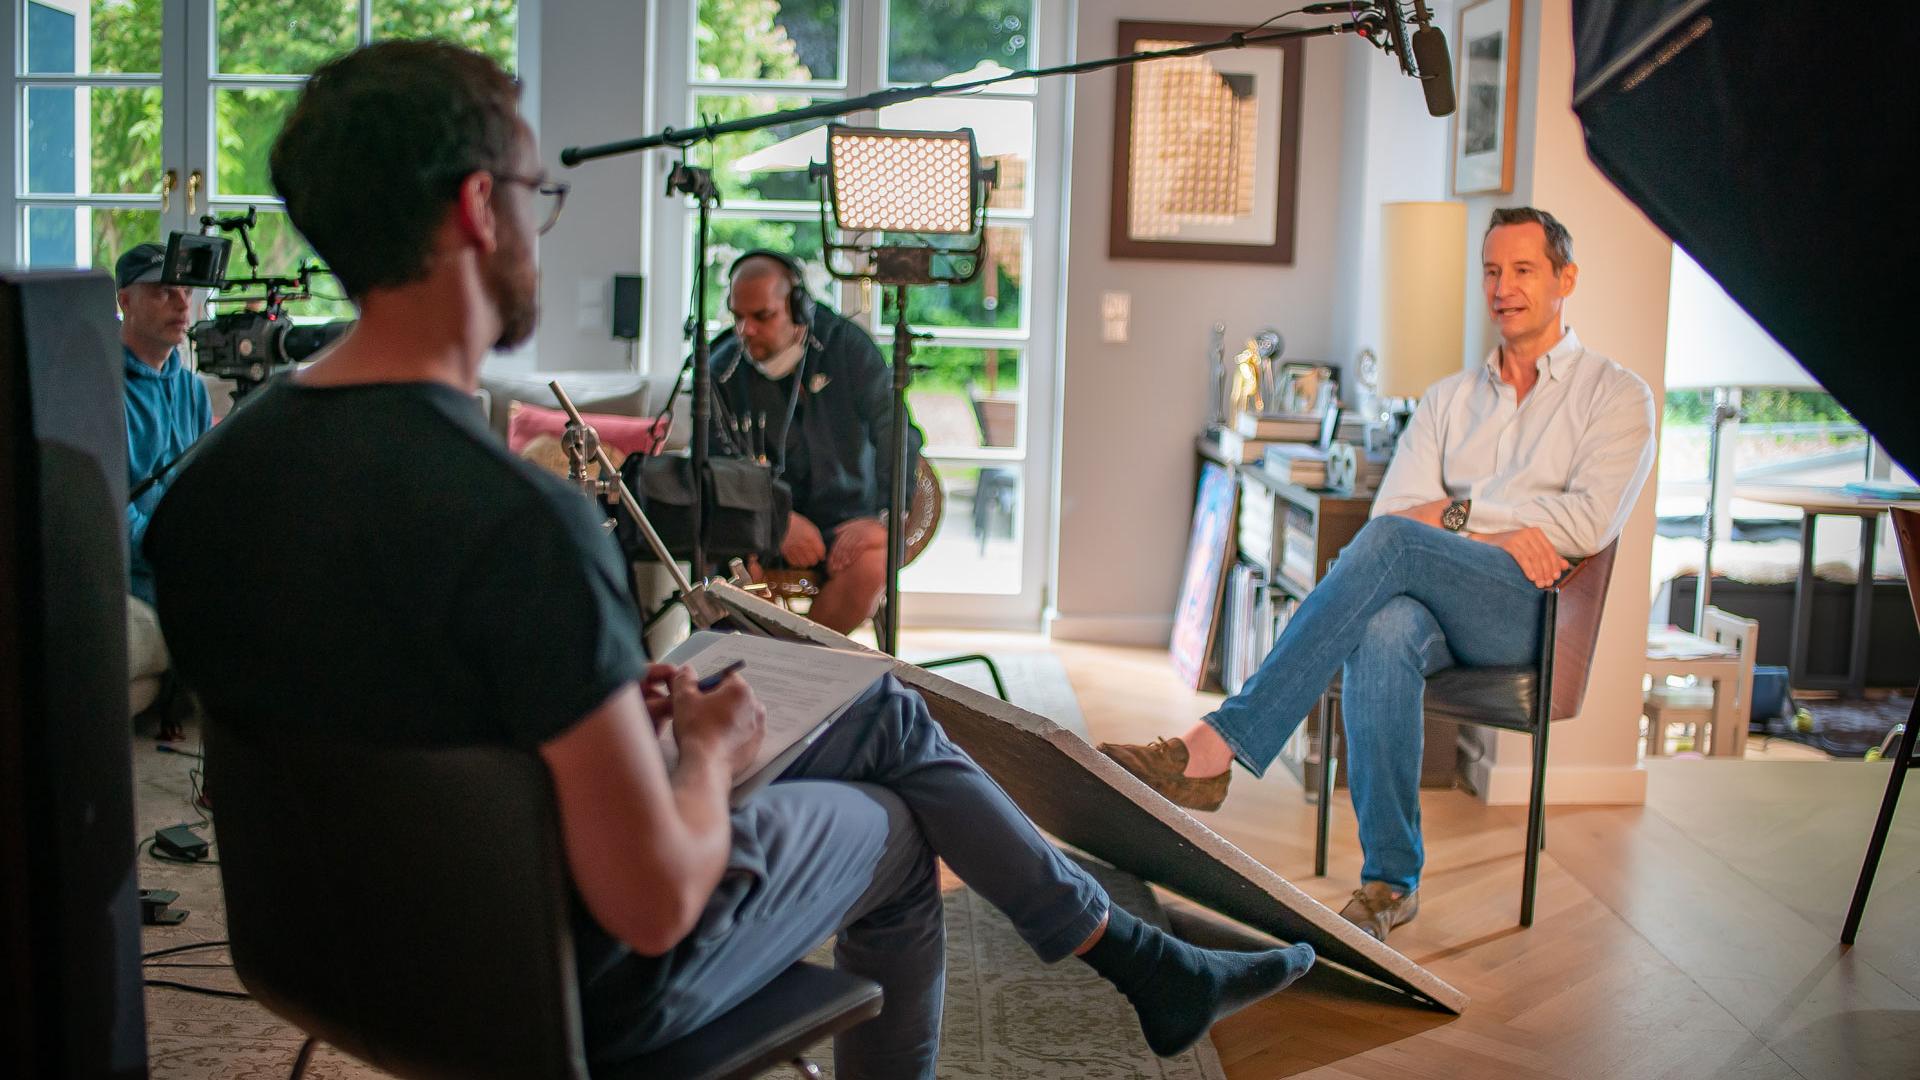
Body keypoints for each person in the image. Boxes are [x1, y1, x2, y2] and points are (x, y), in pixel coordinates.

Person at [142, 41, 1312, 1078]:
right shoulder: (518, 529)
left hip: (332, 957)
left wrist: (593, 718)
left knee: (880, 714)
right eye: (539, 196)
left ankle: (1152, 966)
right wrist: (698, 758)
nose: (539, 234)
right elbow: (651, 904)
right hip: (560, 991)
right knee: (896, 831)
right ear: (474, 210)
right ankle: (1146, 970)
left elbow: (390, 724)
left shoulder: (209, 494)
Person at [1100, 206, 1657, 944]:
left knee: (1396, 546)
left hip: (1529, 609)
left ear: (1565, 280)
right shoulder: (1448, 400)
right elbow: (1394, 512)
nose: (1503, 286)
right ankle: (1390, 882)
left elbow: (1586, 524)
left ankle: (1218, 748)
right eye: (1492, 270)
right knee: (1385, 629)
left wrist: (1455, 514)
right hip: (1442, 601)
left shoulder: (1617, 396)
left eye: (1523, 269)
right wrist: (1503, 525)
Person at [709, 252, 925, 633]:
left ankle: (798, 669)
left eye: (762, 316)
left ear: (798, 307)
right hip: (755, 522)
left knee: (876, 560)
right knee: (728, 572)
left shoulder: (847, 348)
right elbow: (714, 463)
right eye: (737, 316)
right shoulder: (720, 367)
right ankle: (758, 670)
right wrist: (776, 519)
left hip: (843, 517)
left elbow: (896, 431)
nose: (746, 331)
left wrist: (886, 517)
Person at [116, 242, 212, 724]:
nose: (181, 303)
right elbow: (112, 517)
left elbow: (202, 493)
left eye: (184, 291)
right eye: (162, 292)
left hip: (187, 563)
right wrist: (176, 552)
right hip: (141, 572)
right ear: (124, 301)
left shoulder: (191, 388)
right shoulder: (101, 387)